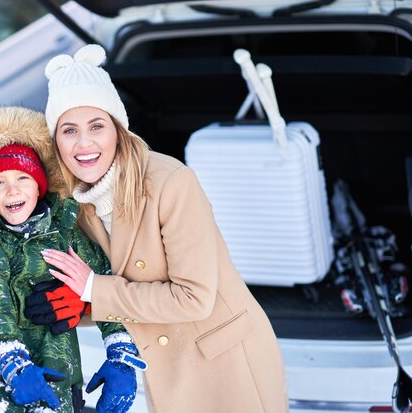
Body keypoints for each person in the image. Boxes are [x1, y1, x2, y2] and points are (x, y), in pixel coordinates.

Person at [24, 44, 289, 412]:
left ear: (117, 129)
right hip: (169, 370)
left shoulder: (170, 183)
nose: (84, 144)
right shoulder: (77, 202)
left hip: (225, 362)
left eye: (96, 126)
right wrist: (78, 306)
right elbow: (116, 289)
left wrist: (91, 290)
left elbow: (193, 297)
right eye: (69, 130)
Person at [0, 106, 147, 413]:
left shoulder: (64, 227)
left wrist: (119, 349)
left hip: (63, 365)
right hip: (6, 376)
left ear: (40, 185)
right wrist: (12, 361)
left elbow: (103, 278)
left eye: (22, 178)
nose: (12, 189)